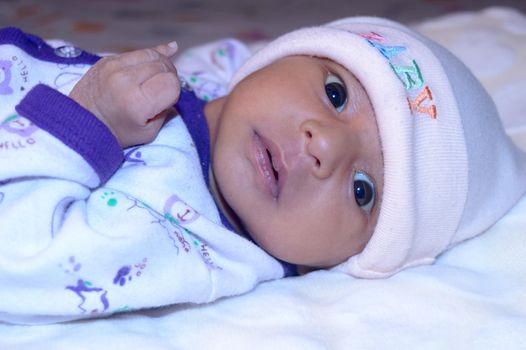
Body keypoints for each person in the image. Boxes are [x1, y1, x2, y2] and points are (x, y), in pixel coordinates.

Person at [1, 15, 525, 324]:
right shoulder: (220, 95)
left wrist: (87, 122)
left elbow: (19, 260)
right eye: (336, 93)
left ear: (334, 262)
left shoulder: (170, 234)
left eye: (364, 191)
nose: (324, 145)